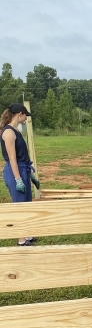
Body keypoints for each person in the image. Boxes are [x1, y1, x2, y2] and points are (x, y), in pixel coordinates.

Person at [1, 103, 40, 246]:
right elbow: (12, 158)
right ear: (20, 114)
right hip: (14, 171)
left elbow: (21, 155)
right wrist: (18, 179)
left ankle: (27, 235)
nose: (26, 118)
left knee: (26, 204)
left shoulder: (16, 130)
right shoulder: (9, 132)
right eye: (26, 115)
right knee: (19, 205)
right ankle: (21, 240)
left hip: (22, 169)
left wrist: (29, 175)